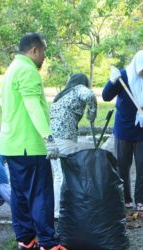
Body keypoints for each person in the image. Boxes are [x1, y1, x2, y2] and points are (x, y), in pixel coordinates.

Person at [0, 33, 65, 250]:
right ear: (34, 50)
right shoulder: (28, 71)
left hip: (11, 144)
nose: (44, 56)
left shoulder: (11, 70)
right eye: (43, 51)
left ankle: (26, 240)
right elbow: (32, 106)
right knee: (41, 195)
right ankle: (48, 242)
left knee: (20, 196)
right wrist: (48, 137)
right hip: (29, 145)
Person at [102, 50, 143, 212]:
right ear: (137, 66)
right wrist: (111, 81)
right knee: (122, 165)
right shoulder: (123, 76)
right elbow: (106, 96)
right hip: (124, 128)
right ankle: (124, 198)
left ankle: (142, 199)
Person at [49, 73, 97, 219]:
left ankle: (56, 211)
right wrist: (92, 111)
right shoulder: (79, 89)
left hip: (52, 138)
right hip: (65, 137)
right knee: (64, 175)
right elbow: (89, 95)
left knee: (57, 175)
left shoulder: (62, 95)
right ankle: (61, 212)